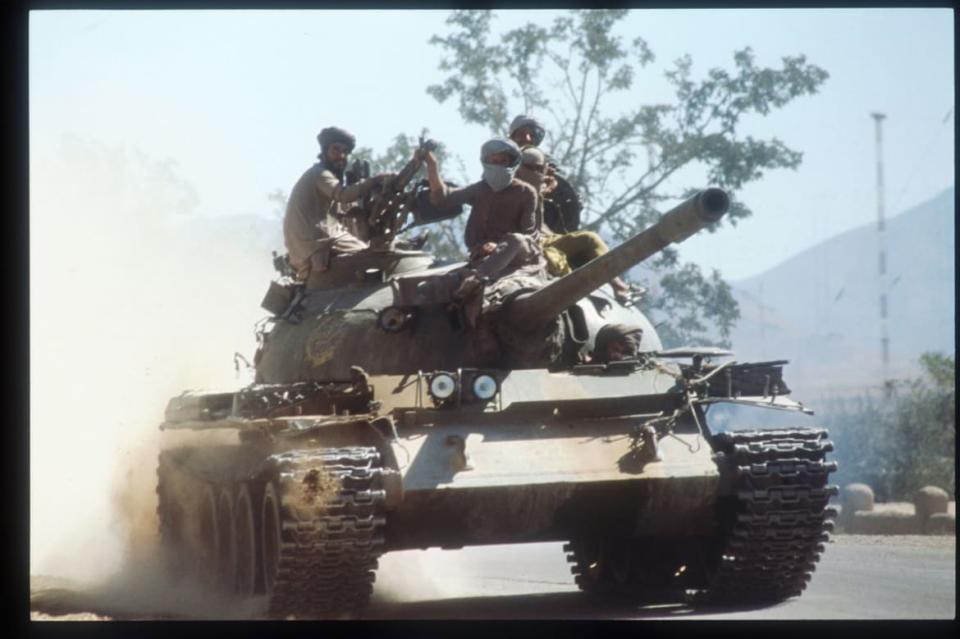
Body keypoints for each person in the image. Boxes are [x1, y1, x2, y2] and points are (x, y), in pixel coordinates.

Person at [514, 146, 637, 304]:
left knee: (589, 239)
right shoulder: (511, 189)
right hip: (521, 244)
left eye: (541, 169)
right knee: (552, 259)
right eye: (533, 169)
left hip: (547, 240)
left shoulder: (546, 196)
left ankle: (619, 286)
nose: (541, 175)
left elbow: (557, 228)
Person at [423, 138, 542, 299]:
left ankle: (477, 278)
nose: (498, 165)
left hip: (517, 254)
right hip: (482, 255)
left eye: (503, 161)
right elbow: (443, 198)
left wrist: (499, 246)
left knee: (517, 239)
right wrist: (432, 165)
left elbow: (529, 235)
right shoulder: (480, 189)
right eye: (494, 161)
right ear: (486, 162)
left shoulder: (526, 192)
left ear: (512, 163)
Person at [283, 126, 395, 280]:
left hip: (307, 244)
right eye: (336, 150)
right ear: (324, 151)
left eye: (345, 152)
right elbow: (343, 194)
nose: (341, 156)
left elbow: (340, 209)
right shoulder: (320, 174)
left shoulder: (317, 175)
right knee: (371, 256)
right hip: (316, 243)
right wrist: (375, 180)